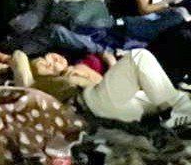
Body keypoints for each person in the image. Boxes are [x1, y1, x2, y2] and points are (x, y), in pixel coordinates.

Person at [13, 49, 191, 127]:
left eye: (50, 58)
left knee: (179, 97)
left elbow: (102, 81)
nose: (51, 62)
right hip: (91, 103)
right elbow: (19, 56)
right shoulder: (41, 86)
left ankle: (175, 114)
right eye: (45, 65)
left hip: (117, 106)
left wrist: (83, 74)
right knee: (139, 56)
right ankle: (174, 112)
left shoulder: (77, 68)